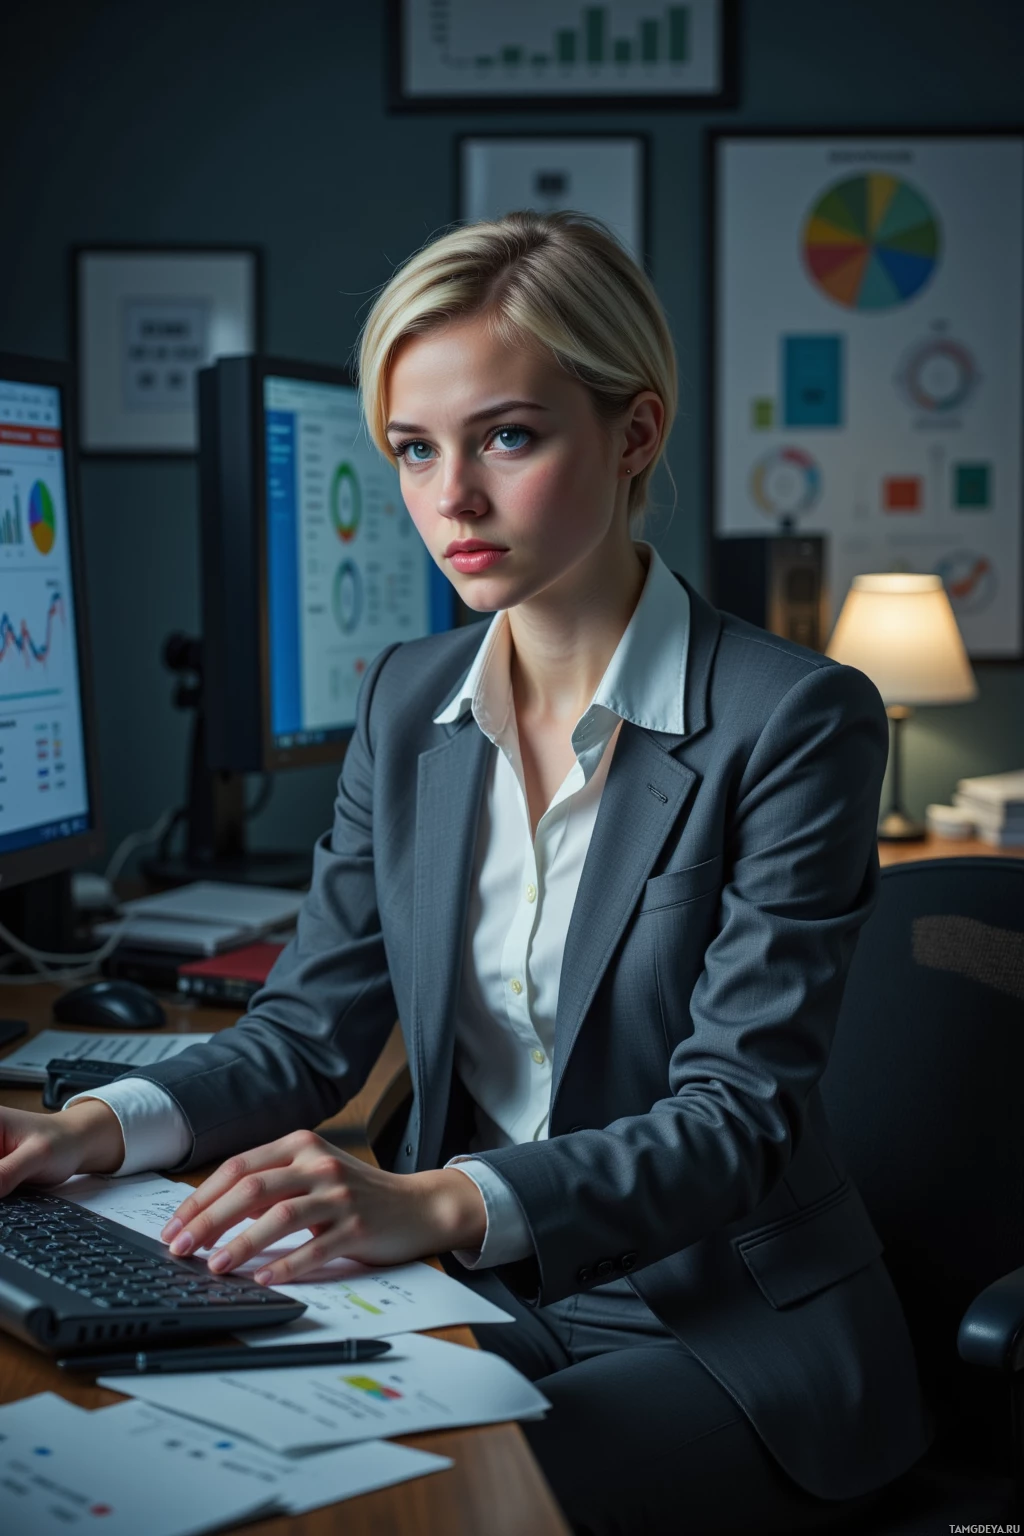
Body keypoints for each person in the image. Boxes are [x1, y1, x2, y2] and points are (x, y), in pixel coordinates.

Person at [0, 211, 929, 1534]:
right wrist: (86, 1129)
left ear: (635, 433)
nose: (454, 500)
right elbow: (307, 1036)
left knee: (428, 1517)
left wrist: (431, 1203)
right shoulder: (408, 700)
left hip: (715, 1327)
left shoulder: (795, 717)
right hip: (472, 1293)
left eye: (508, 436)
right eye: (413, 451)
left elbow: (738, 1121)